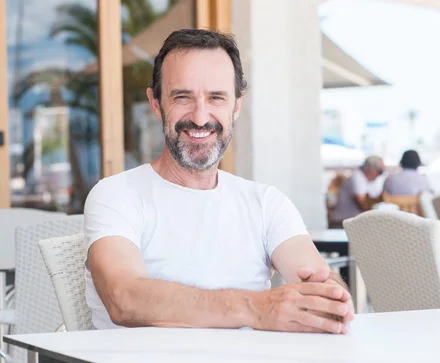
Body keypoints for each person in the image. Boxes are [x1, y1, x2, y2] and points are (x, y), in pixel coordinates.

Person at [84, 29, 353, 334]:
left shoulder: (266, 203)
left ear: (236, 105)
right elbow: (124, 298)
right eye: (182, 97)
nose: (200, 117)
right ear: (156, 103)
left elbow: (325, 291)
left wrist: (329, 299)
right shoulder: (116, 195)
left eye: (216, 98)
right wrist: (257, 308)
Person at [330, 156, 385, 224]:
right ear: (369, 168)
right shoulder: (356, 177)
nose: (380, 175)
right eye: (380, 171)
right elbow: (364, 204)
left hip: (354, 220)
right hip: (343, 221)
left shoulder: (370, 180)